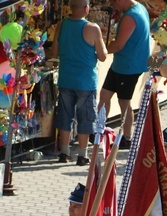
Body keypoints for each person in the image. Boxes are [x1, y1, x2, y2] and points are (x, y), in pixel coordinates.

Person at [51, 0, 107, 166]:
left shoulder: (62, 25)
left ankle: (64, 152)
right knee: (86, 117)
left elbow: (54, 51)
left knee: (65, 115)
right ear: (86, 8)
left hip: (66, 78)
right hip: (85, 81)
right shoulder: (92, 28)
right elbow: (103, 56)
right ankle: (82, 155)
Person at [99, 0, 150, 148]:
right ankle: (99, 130)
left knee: (124, 103)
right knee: (104, 95)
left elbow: (119, 44)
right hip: (122, 65)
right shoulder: (140, 8)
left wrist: (101, 51)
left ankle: (127, 137)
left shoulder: (130, 17)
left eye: (113, 1)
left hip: (128, 67)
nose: (112, 4)